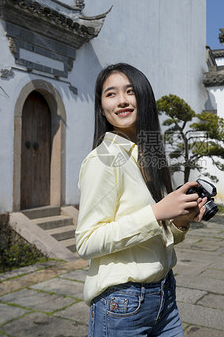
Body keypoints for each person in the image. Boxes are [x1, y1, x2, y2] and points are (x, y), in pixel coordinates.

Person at [75, 63, 207, 336]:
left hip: (164, 296)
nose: (121, 100)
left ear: (143, 98)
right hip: (122, 303)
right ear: (101, 107)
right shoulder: (102, 160)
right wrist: (156, 213)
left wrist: (180, 221)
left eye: (130, 91)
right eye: (110, 94)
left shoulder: (146, 155)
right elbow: (86, 242)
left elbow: (156, 236)